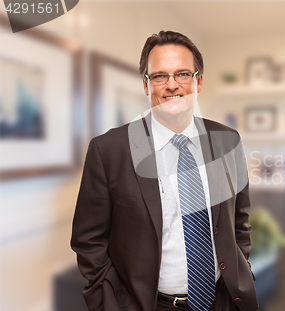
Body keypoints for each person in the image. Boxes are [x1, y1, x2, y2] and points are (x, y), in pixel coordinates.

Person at [71, 30, 258, 311]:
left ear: (198, 82)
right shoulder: (109, 149)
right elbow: (88, 241)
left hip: (224, 300)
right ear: (147, 86)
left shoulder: (227, 141)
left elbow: (239, 220)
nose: (172, 85)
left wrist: (238, 271)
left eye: (183, 74)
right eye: (160, 76)